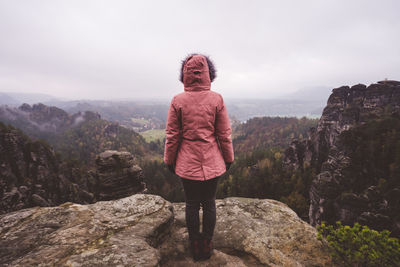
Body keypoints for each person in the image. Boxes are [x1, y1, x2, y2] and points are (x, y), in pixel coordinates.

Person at [164, 53, 234, 261]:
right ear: (208, 74)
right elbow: (224, 134)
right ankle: (207, 243)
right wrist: (228, 158)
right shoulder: (217, 99)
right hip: (213, 161)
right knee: (210, 202)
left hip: (187, 163)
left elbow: (172, 135)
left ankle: (195, 244)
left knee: (192, 203)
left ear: (184, 75)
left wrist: (169, 160)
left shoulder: (178, 101)